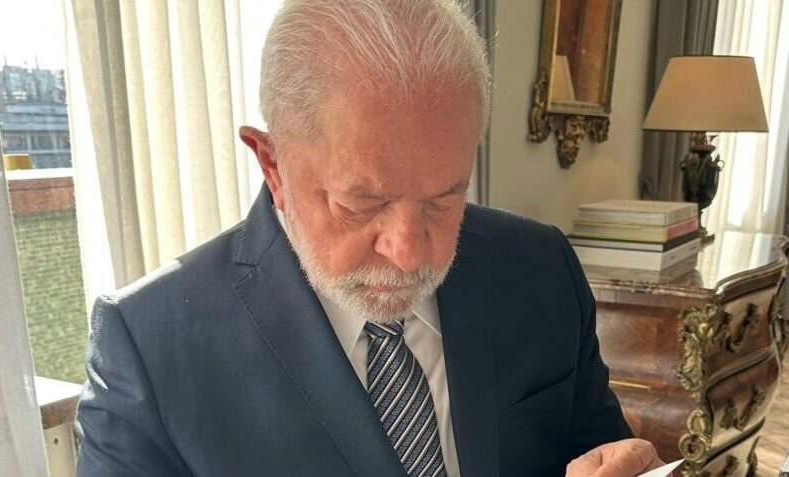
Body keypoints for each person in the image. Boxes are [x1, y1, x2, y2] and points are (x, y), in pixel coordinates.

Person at [74, 1, 665, 475]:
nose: (409, 253)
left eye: (444, 198)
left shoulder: (540, 267)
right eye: (360, 203)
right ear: (273, 165)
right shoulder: (149, 345)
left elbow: (597, 446)